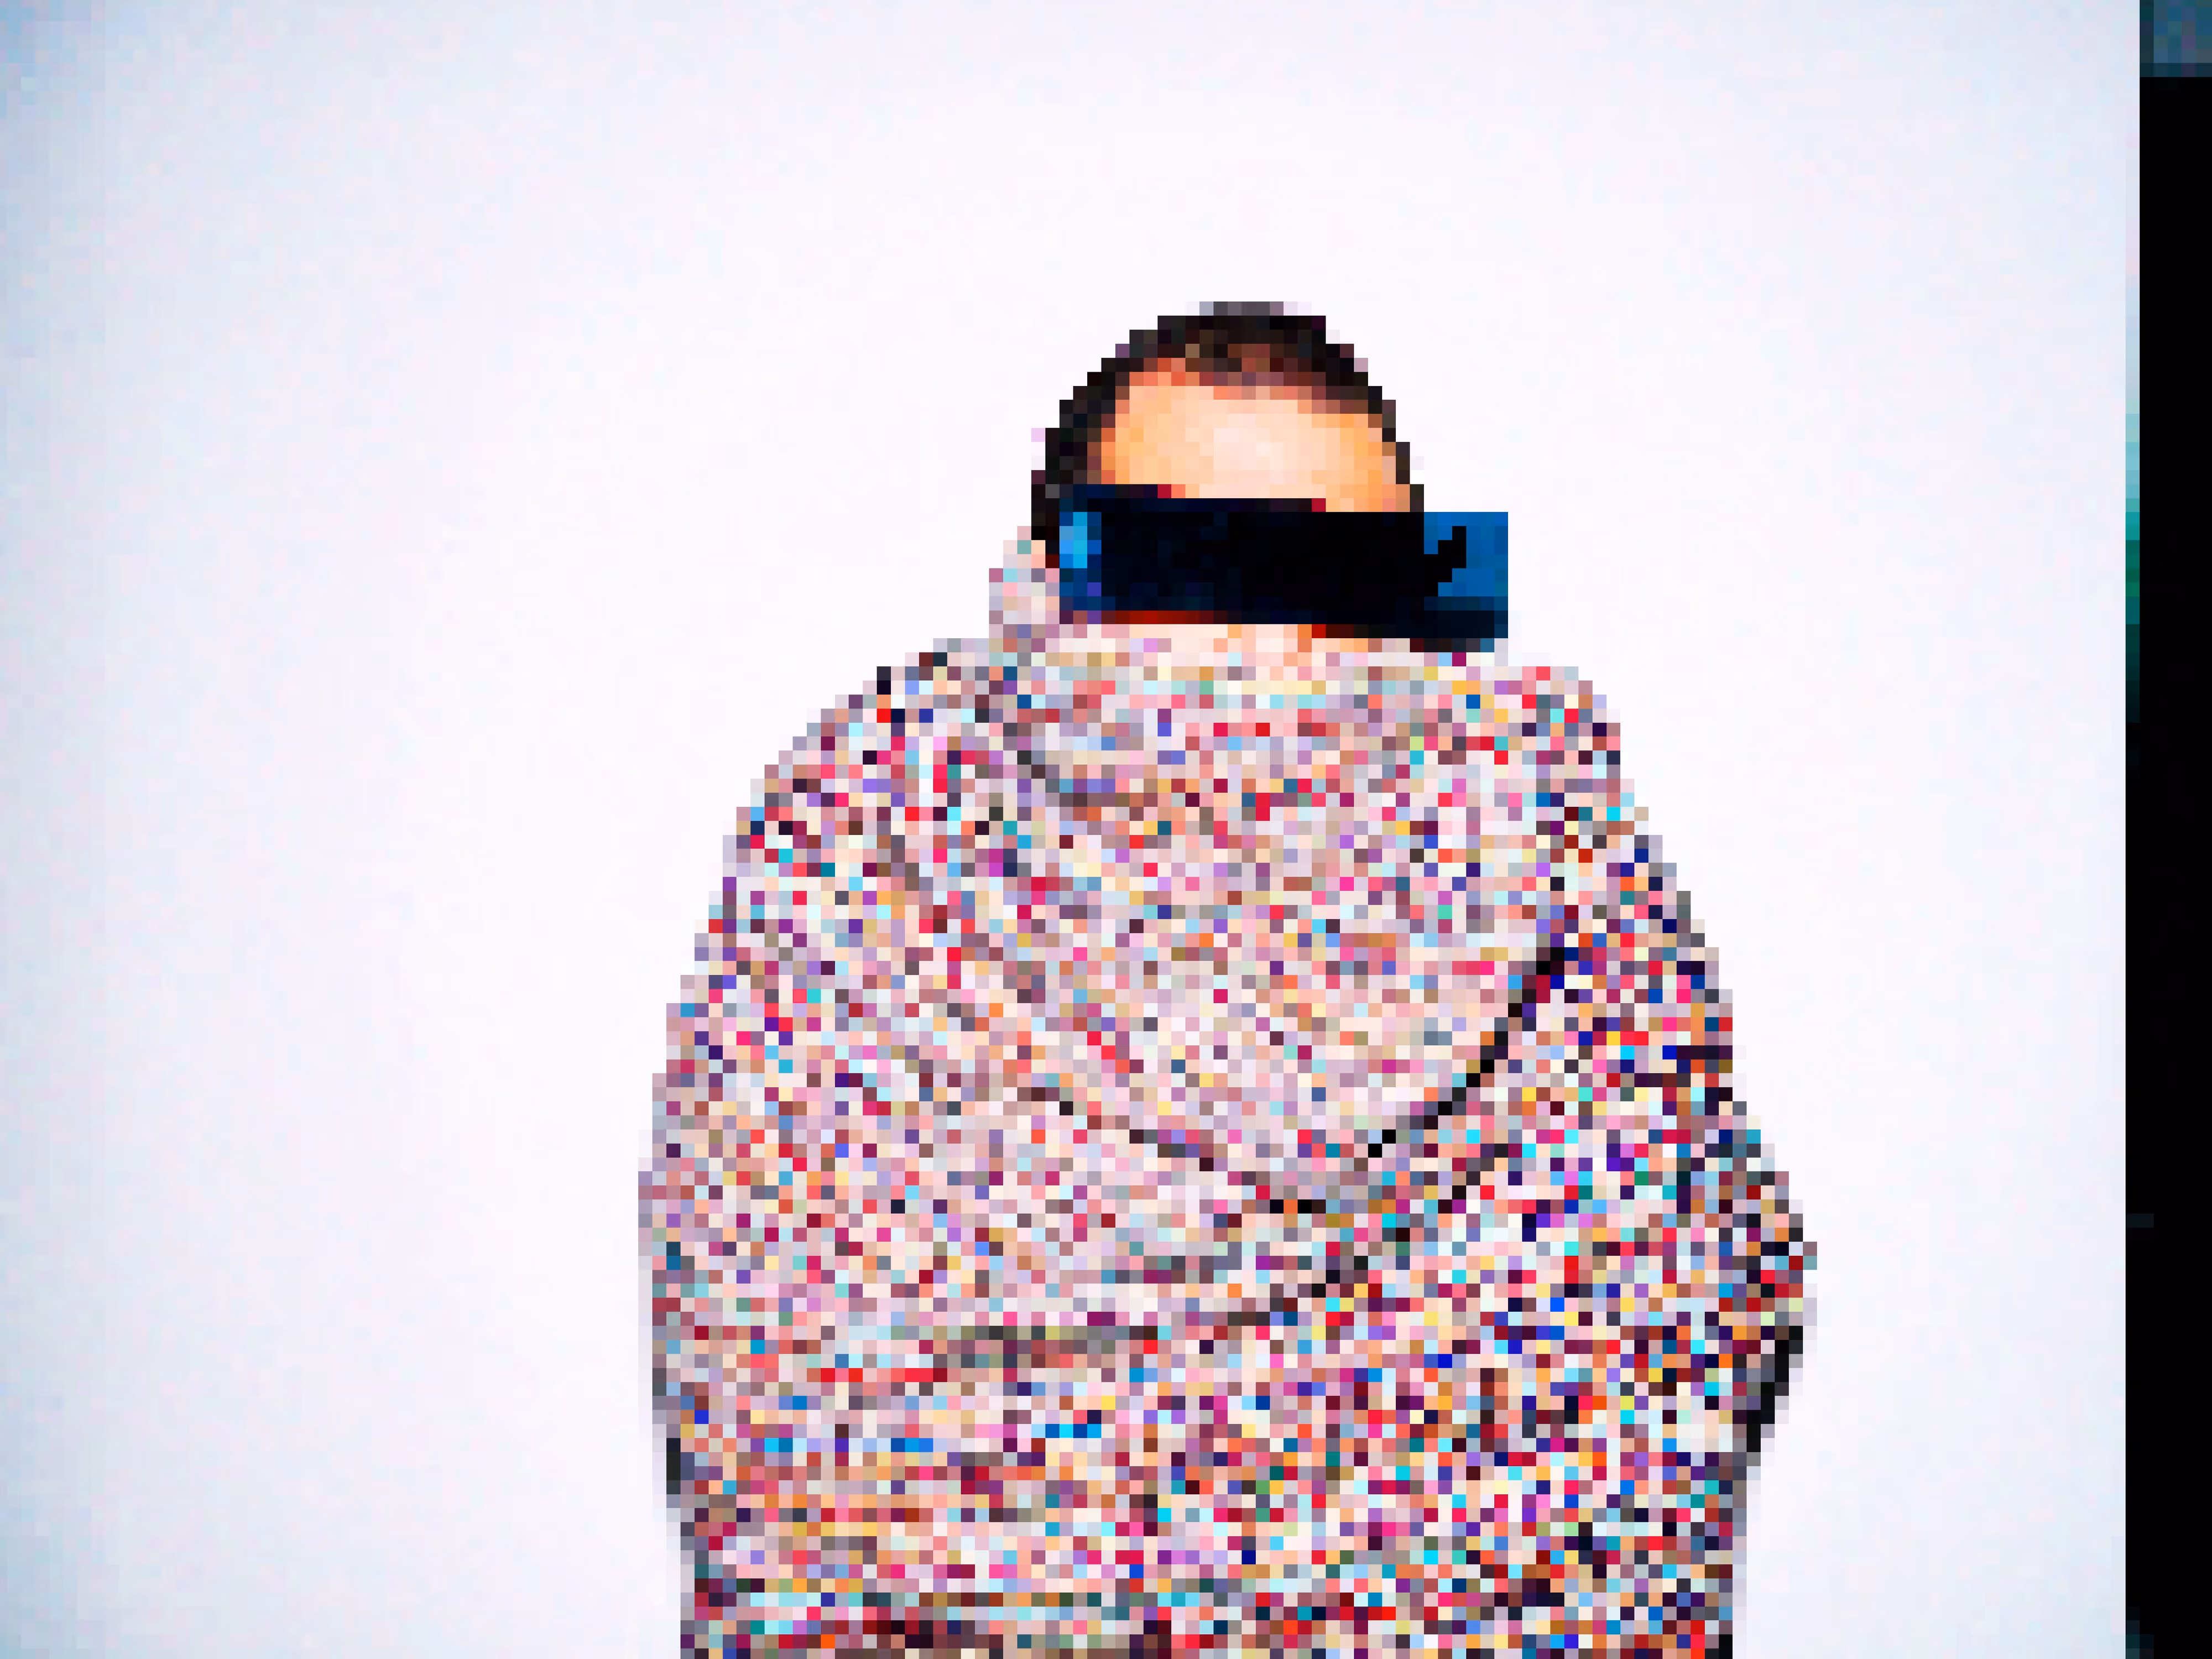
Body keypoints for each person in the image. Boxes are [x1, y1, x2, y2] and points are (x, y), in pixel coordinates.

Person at [641, 304, 1811, 1657]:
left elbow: (1670, 1337)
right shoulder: (861, 854)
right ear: (1048, 590)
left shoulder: (1559, 859)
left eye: (1338, 590)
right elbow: (787, 1416)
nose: (1264, 662)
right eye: (1188, 575)